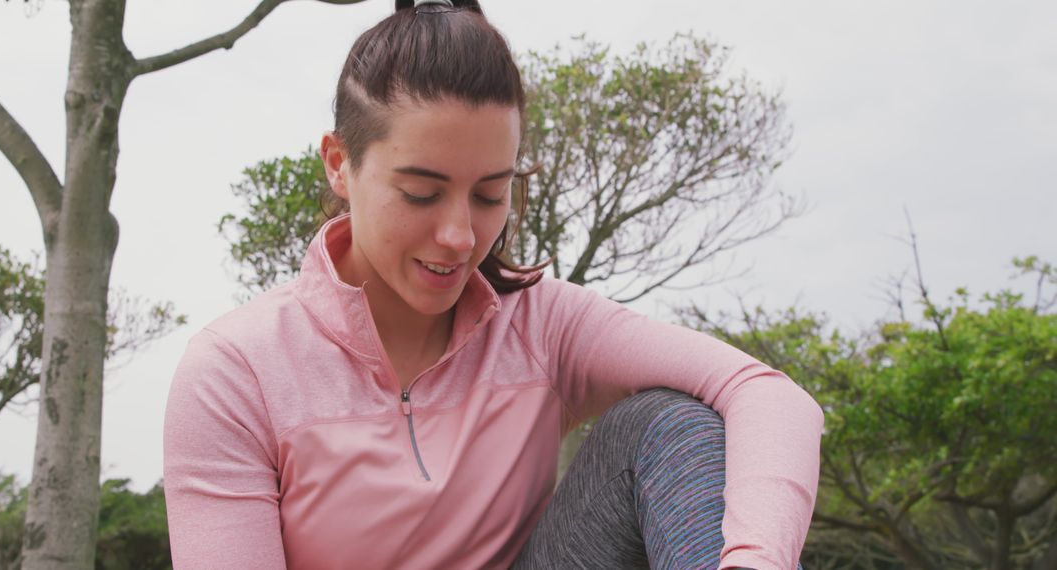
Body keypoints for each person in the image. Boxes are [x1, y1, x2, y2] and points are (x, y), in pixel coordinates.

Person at [162, 0, 824, 568]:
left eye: (489, 195)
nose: (459, 236)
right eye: (421, 193)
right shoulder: (236, 372)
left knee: (671, 422)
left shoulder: (542, 325)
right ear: (340, 164)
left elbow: (768, 397)